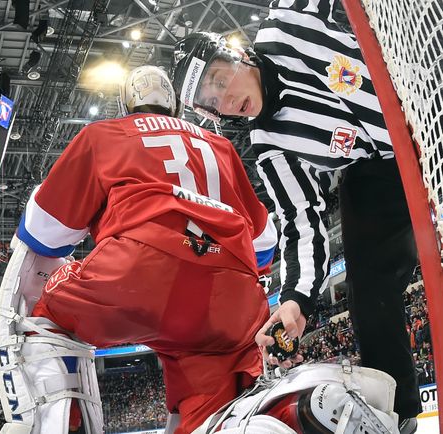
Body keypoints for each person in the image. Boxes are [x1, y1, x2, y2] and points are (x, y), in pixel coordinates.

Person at [170, 1, 421, 432]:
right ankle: (401, 414)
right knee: (367, 286)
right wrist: (296, 299)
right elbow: (301, 221)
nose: (226, 99)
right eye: (210, 102)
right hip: (381, 165)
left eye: (219, 80)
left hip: (423, 95)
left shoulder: (286, 24)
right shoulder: (271, 146)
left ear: (237, 55)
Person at [0, 65, 278, 433]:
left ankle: (55, 422)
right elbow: (264, 244)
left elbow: (45, 234)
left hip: (139, 269)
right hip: (232, 291)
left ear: (126, 105)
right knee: (211, 390)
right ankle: (259, 419)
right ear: (175, 107)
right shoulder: (221, 147)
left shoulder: (104, 135)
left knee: (42, 309)